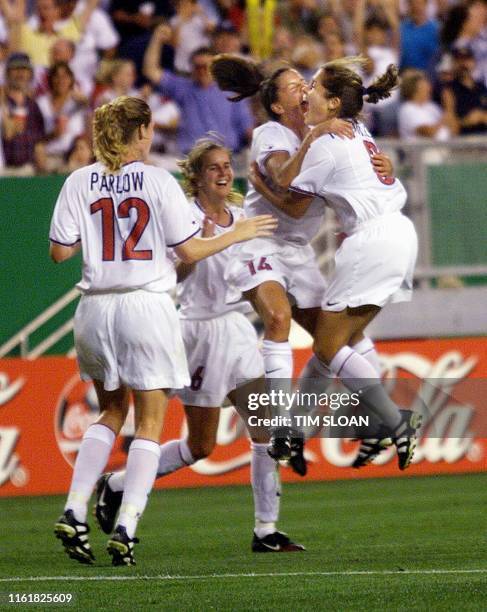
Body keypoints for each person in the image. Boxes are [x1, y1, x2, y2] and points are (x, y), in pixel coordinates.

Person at [50, 95, 276, 566]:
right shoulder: (157, 180)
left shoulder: (78, 180)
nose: (152, 135)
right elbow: (189, 252)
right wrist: (238, 232)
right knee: (150, 423)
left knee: (110, 414)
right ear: (139, 133)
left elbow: (59, 252)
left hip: (93, 308)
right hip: (145, 305)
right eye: (148, 129)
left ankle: (73, 510)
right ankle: (127, 525)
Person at [93, 138, 305, 553]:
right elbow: (176, 275)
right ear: (196, 177)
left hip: (237, 330)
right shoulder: (184, 216)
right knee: (200, 446)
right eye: (214, 168)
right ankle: (115, 484)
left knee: (263, 431)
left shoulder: (244, 218)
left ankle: (266, 529)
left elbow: (252, 278)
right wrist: (200, 247)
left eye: (227, 166)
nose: (225, 173)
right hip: (198, 333)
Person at [211, 54, 394, 466]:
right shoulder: (271, 132)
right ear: (278, 105)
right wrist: (315, 138)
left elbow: (358, 170)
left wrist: (385, 166)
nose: (304, 89)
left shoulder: (325, 134)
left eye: (305, 84)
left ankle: (304, 428)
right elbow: (285, 190)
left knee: (337, 341)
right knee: (276, 319)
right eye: (296, 86)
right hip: (261, 241)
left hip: (298, 251)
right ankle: (280, 424)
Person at [271, 57, 422, 469]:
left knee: (326, 343)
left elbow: (287, 191)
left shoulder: (325, 142)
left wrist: (310, 136)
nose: (307, 93)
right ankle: (292, 433)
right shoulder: (359, 129)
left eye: (315, 87)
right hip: (400, 235)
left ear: (334, 103)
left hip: (371, 240)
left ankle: (392, 422)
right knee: (331, 348)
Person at [143, 25, 253, 154]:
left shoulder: (232, 91)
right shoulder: (182, 87)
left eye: (205, 66)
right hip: (192, 158)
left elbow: (247, 128)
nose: (201, 71)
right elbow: (150, 71)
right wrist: (157, 39)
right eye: (197, 67)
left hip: (227, 157)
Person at [398, 69, 458, 140]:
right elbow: (428, 132)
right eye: (424, 85)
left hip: (446, 147)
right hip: (422, 149)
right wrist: (447, 111)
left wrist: (450, 109)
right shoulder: (407, 109)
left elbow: (455, 130)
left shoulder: (432, 107)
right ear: (415, 89)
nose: (429, 88)